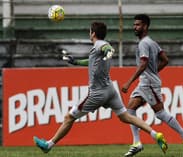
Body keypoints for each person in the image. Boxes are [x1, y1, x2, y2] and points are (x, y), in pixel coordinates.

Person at [33, 21, 168, 155]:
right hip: (110, 89)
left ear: (93, 33)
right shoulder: (97, 48)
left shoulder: (100, 44)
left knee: (69, 117)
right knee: (126, 116)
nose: (89, 33)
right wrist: (75, 61)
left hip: (97, 93)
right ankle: (155, 134)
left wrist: (109, 52)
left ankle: (48, 145)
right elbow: (92, 60)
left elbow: (107, 48)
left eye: (90, 31)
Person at [121, 14, 183, 157]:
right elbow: (165, 60)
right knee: (129, 110)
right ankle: (136, 143)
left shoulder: (144, 43)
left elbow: (143, 63)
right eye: (134, 24)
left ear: (145, 26)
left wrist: (129, 82)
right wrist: (153, 72)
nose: (134, 27)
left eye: (138, 25)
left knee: (160, 113)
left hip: (148, 84)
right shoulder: (152, 43)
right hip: (145, 82)